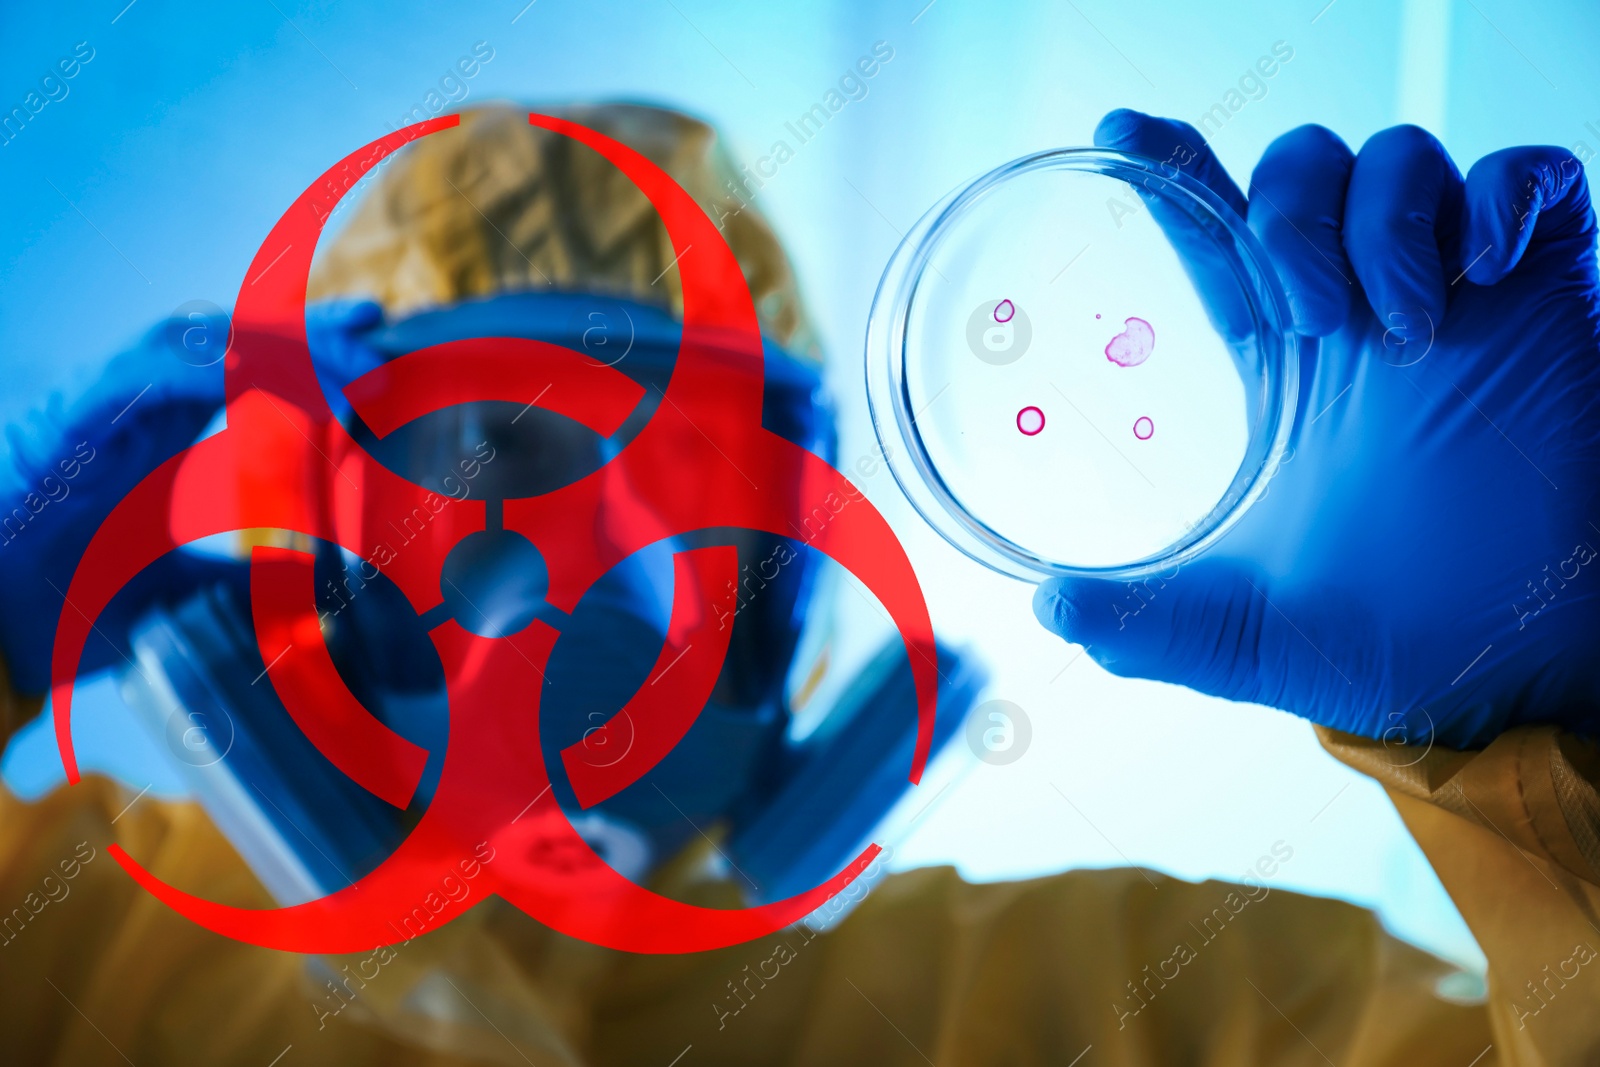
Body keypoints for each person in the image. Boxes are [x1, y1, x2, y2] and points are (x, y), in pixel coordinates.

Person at [0, 102, 1593, 1064]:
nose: (587, 568)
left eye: (692, 470)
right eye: (493, 448)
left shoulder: (1140, 1009)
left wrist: (1543, 732)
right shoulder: (55, 946)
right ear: (300, 524)